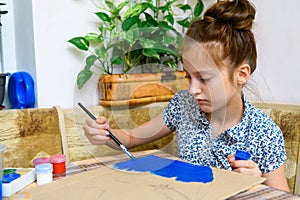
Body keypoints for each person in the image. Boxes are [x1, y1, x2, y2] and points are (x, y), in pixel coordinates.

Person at [83, 0, 290, 192]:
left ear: (241, 74)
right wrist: (104, 134)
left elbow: (283, 196)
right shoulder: (184, 105)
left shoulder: (264, 133)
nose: (193, 90)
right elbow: (131, 137)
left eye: (205, 79)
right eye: (189, 77)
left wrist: (257, 188)